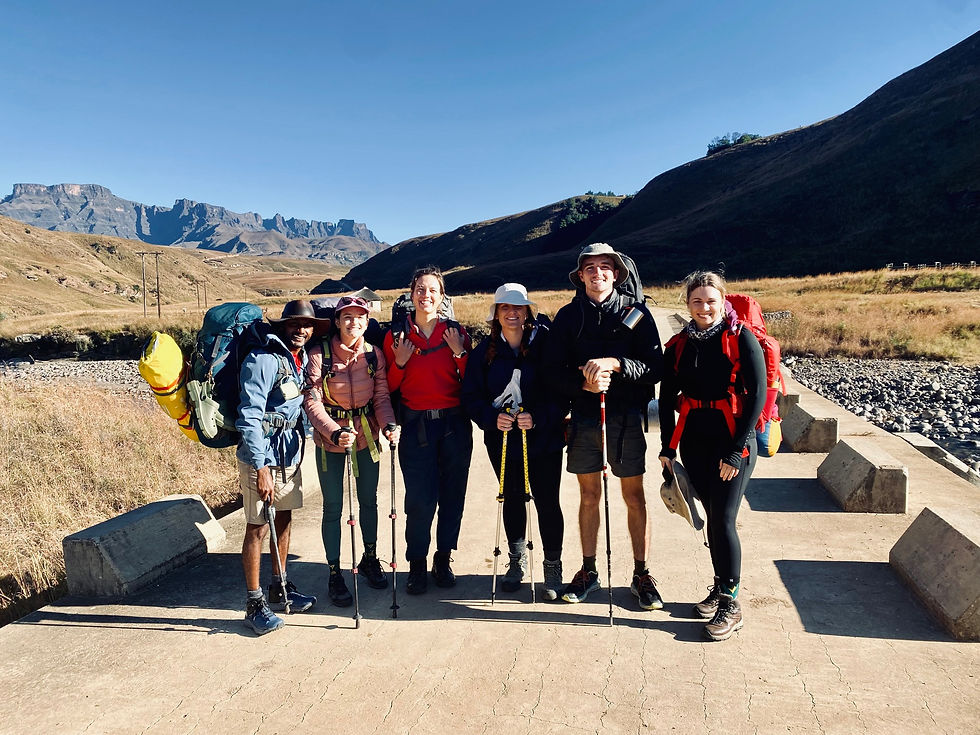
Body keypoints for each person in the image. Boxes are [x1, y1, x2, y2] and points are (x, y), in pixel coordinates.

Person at [544, 242, 663, 609]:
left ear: (616, 273)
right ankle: (589, 571)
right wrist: (583, 383)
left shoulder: (637, 315)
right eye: (590, 268)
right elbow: (551, 372)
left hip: (625, 417)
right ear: (581, 276)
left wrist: (616, 364)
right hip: (584, 417)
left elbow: (656, 368)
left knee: (633, 497)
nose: (598, 273)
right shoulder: (567, 317)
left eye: (605, 267)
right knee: (589, 495)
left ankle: (642, 574)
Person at [658, 271, 766, 641]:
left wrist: (736, 450)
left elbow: (757, 397)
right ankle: (722, 587)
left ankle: (731, 604)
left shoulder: (741, 339)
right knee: (711, 517)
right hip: (694, 441)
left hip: (731, 441)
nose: (704, 308)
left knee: (722, 519)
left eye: (711, 301)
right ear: (687, 304)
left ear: (723, 302)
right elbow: (667, 396)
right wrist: (667, 449)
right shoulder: (679, 345)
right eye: (697, 301)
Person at [461, 283, 567, 599]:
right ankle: (516, 562)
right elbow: (470, 397)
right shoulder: (484, 353)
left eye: (517, 307)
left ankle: (552, 568)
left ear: (526, 312)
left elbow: (561, 394)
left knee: (547, 502)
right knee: (513, 496)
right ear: (496, 313)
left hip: (544, 439)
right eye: (505, 307)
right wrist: (491, 418)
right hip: (502, 439)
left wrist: (538, 417)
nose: (511, 313)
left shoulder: (545, 346)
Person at [303, 295, 400, 606]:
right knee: (333, 508)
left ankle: (369, 558)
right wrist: (333, 431)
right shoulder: (320, 355)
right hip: (330, 441)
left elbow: (382, 397)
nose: (353, 322)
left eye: (360, 317)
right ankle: (335, 572)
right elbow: (312, 401)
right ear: (337, 321)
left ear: (367, 322)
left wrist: (389, 425)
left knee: (368, 501)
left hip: (367, 438)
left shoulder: (374, 356)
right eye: (347, 316)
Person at [383, 266, 473, 595]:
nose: (426, 295)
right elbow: (387, 386)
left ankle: (443, 558)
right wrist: (401, 362)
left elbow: (472, 381)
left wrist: (460, 353)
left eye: (433, 290)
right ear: (411, 294)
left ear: (442, 296)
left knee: (452, 496)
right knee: (420, 500)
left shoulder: (456, 332)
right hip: (415, 424)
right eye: (420, 289)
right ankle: (417, 564)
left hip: (453, 423)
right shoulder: (396, 337)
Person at [238, 299, 322, 635]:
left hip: (289, 453)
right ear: (282, 326)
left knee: (284, 518)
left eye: (307, 325)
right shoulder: (262, 360)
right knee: (257, 526)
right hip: (262, 457)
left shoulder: (297, 361)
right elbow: (249, 415)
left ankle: (280, 587)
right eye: (294, 324)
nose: (300, 330)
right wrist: (260, 467)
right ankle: (254, 603)